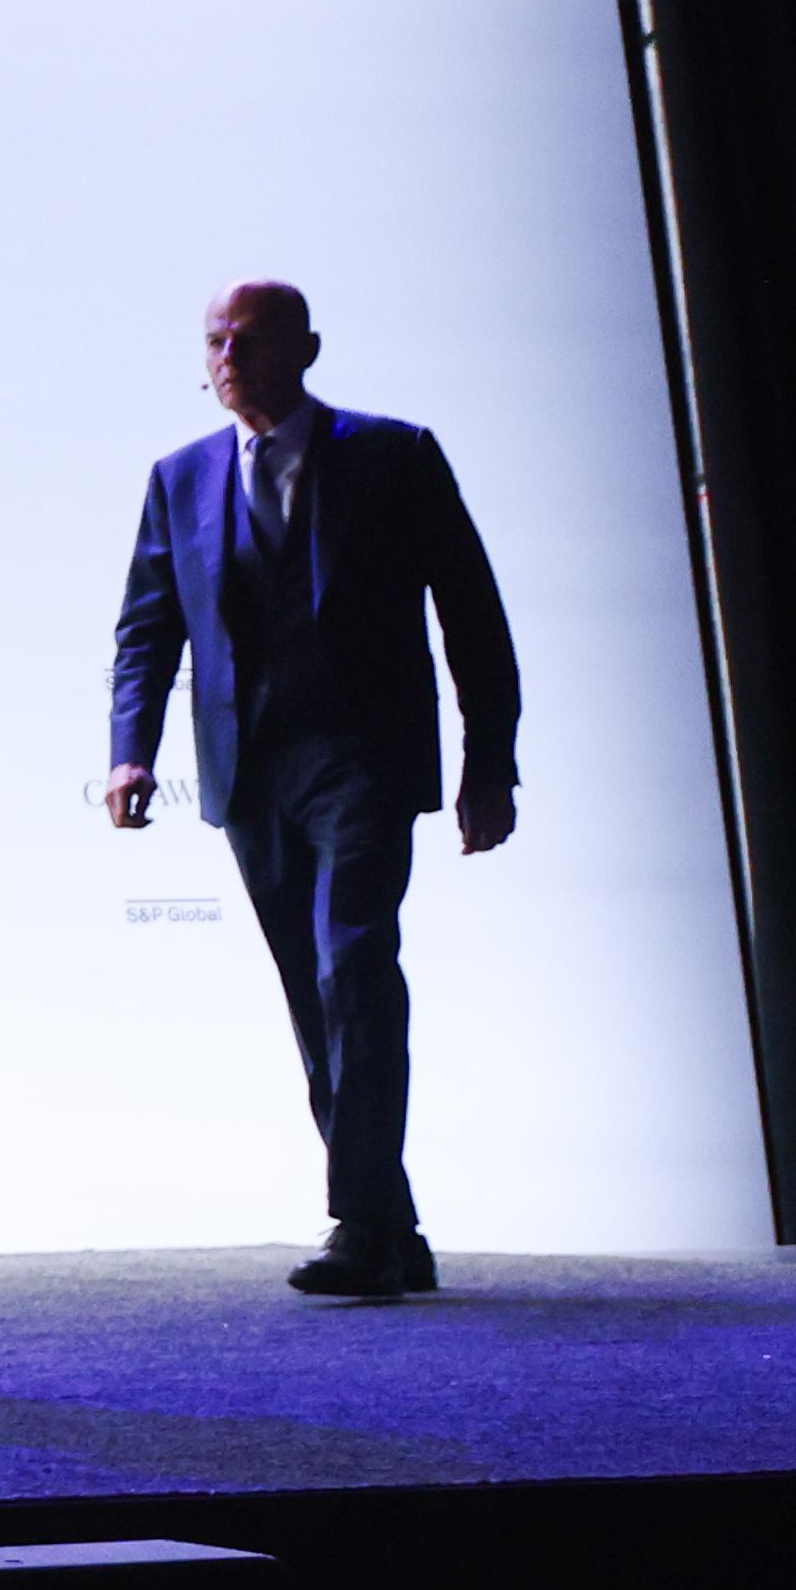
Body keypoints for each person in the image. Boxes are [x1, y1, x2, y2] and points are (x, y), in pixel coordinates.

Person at [104, 279, 518, 1301]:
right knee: (310, 993)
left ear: (306, 348)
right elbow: (146, 629)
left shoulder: (390, 454)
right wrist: (128, 749)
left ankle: (356, 1220)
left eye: (247, 336)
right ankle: (389, 1224)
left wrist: (487, 760)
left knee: (353, 971)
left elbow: (470, 610)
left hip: (362, 761)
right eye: (212, 338)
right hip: (249, 775)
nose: (227, 353)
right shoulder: (178, 476)